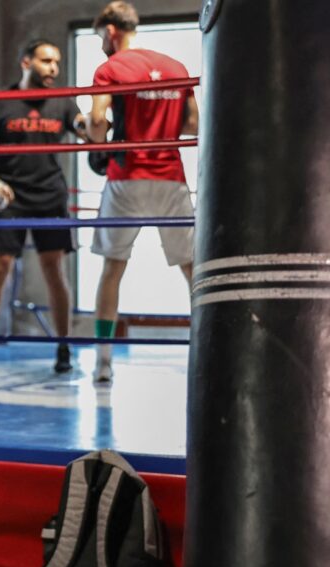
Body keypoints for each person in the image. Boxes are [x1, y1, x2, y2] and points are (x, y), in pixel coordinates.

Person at [86, 1, 200, 383]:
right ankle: (207, 347)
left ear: (112, 31)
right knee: (192, 269)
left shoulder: (110, 68)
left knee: (113, 269)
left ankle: (103, 364)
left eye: (102, 35)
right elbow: (194, 122)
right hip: (170, 177)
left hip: (127, 177)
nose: (102, 42)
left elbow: (99, 121)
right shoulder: (175, 67)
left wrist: (94, 137)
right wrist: (160, 125)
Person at [0, 38, 87, 374]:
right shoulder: (0, 102)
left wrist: (96, 118)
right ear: (26, 62)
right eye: (46, 61)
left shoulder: (64, 102)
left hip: (50, 194)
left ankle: (63, 346)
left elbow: (84, 129)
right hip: (10, 195)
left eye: (57, 63)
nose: (53, 69)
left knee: (54, 269)